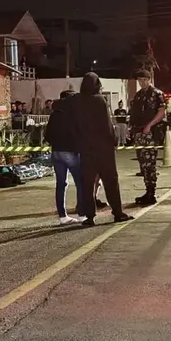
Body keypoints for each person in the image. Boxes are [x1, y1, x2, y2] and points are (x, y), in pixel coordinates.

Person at [69, 72, 134, 226]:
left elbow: (74, 126)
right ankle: (117, 212)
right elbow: (107, 126)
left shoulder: (77, 101)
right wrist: (114, 141)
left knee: (88, 183)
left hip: (86, 148)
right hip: (103, 149)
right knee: (110, 180)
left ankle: (89, 216)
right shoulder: (100, 100)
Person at [44, 90, 85, 225]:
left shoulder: (54, 114)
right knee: (80, 183)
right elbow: (77, 133)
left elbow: (47, 135)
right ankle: (82, 214)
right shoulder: (72, 114)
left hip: (56, 152)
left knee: (61, 184)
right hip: (70, 152)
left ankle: (63, 216)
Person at [129, 70, 167, 205]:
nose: (142, 82)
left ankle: (151, 192)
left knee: (150, 163)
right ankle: (147, 190)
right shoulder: (138, 96)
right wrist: (131, 129)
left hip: (151, 133)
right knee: (143, 163)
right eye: (140, 80)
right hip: (139, 133)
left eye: (144, 79)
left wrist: (149, 125)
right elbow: (133, 114)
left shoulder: (157, 94)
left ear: (149, 79)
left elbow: (162, 113)